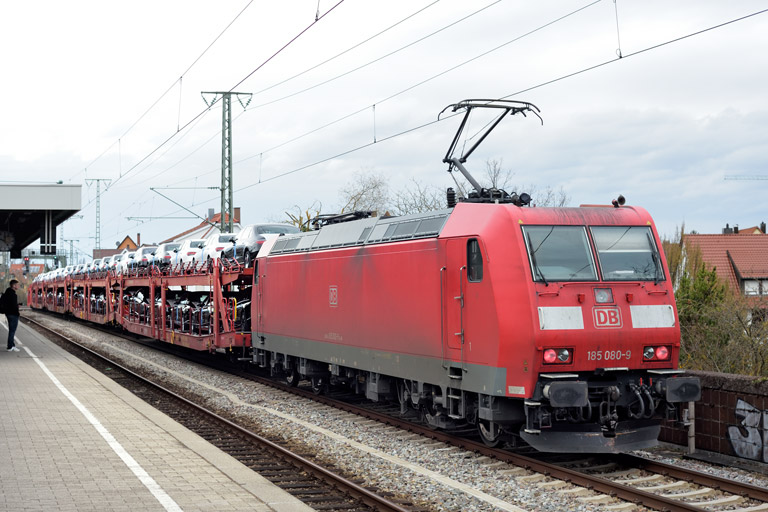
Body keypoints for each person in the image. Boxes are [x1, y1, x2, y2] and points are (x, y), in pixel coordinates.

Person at [2, 279, 21, 352]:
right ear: (13, 285)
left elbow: (9, 304)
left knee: (11, 330)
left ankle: (12, 345)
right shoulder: (13, 294)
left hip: (8, 314)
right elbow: (13, 306)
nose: (18, 286)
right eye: (17, 285)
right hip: (13, 315)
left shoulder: (7, 293)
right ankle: (10, 346)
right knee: (12, 331)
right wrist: (17, 307)